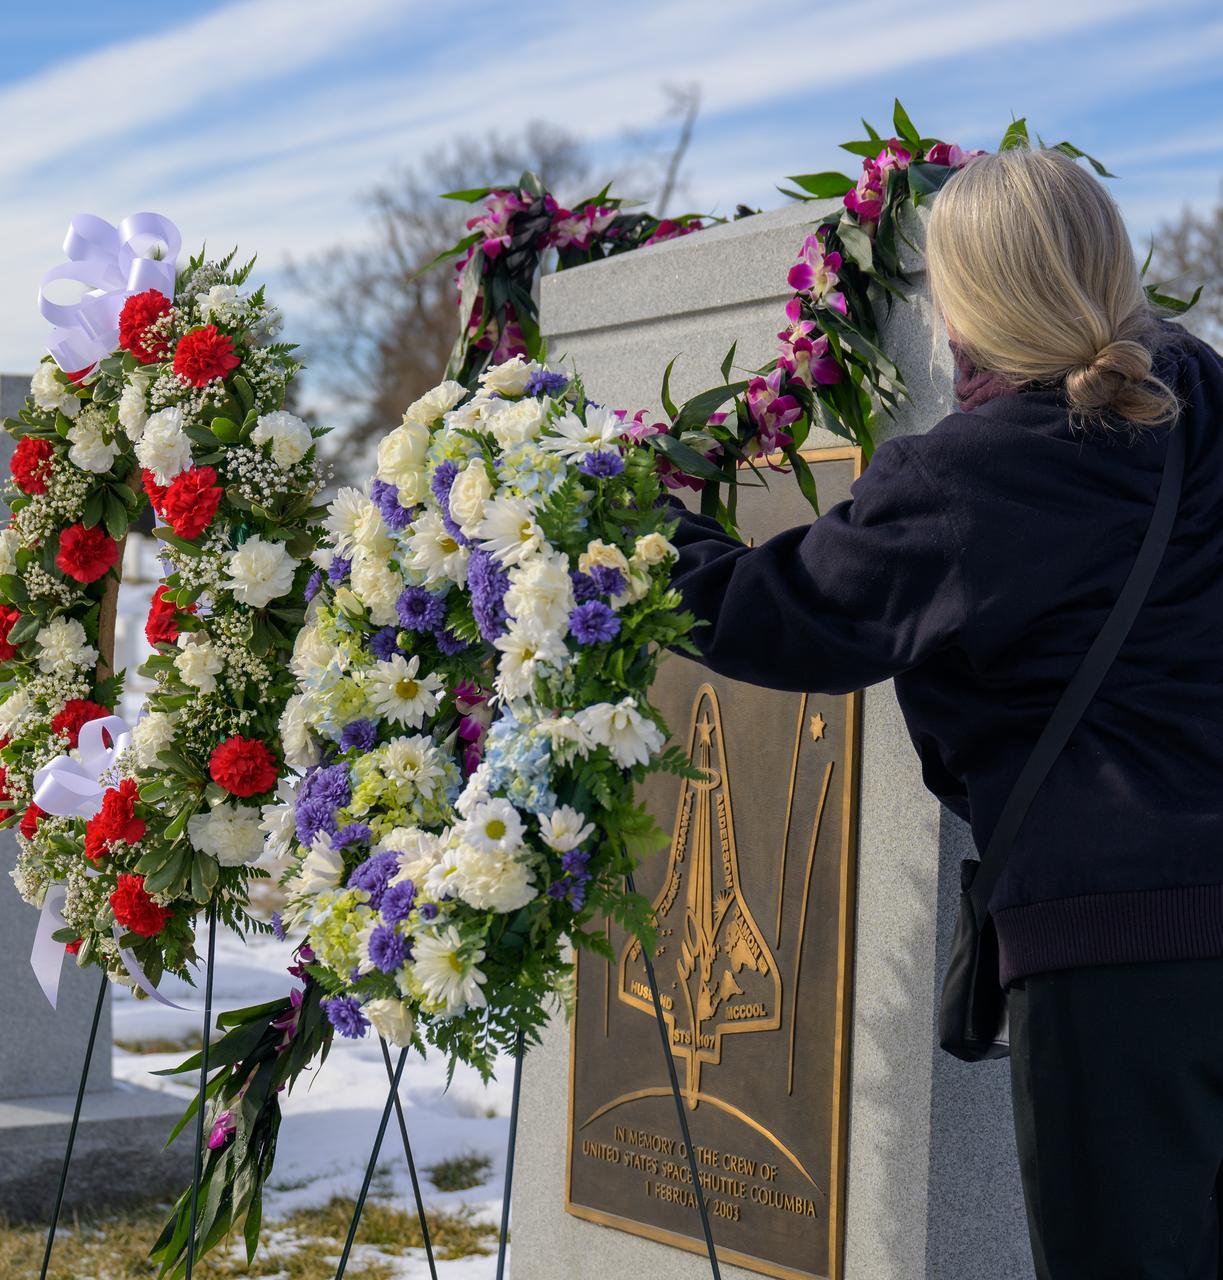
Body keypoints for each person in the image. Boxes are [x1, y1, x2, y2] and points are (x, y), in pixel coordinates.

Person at [666, 146, 1223, 1279]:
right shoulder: (1203, 400)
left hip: (1116, 957)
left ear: (965, 297)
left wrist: (642, 526)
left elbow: (776, 615)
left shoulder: (974, 473)